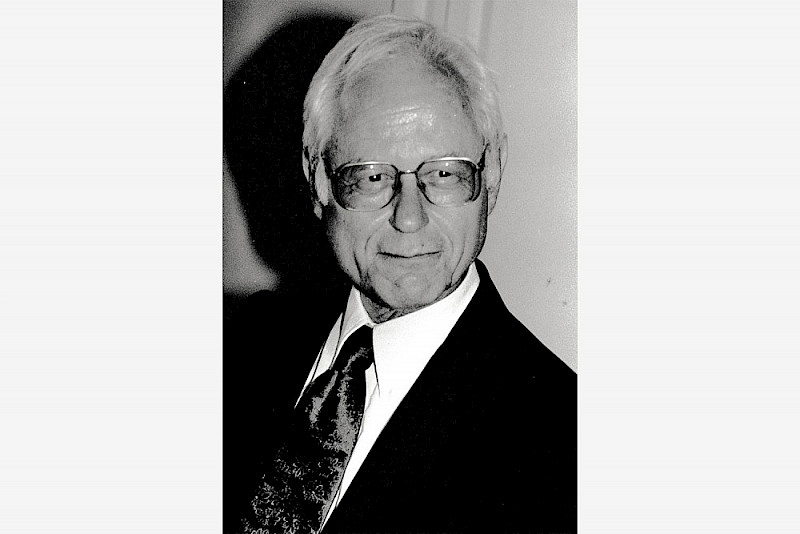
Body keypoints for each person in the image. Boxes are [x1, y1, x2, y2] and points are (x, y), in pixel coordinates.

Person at [224, 14, 576, 534]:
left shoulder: (561, 438)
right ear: (318, 181)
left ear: (492, 174)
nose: (408, 218)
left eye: (445, 173)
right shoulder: (246, 342)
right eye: (370, 177)